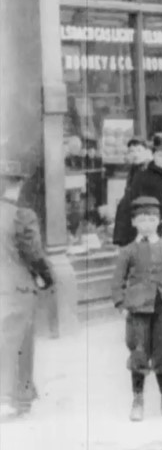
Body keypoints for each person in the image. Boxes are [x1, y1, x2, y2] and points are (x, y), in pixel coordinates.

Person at [111, 196, 162, 422]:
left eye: (152, 219)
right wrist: (120, 305)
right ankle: (138, 401)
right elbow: (117, 282)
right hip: (137, 311)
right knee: (139, 352)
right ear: (134, 222)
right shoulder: (128, 251)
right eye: (142, 219)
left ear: (160, 221)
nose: (147, 224)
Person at [0, 159, 54, 420]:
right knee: (19, 342)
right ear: (17, 184)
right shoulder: (22, 216)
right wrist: (47, 277)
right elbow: (34, 254)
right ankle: (14, 397)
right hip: (17, 288)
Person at [125, 131, 162, 240]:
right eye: (160, 155)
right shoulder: (142, 177)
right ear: (153, 155)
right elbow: (133, 204)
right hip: (149, 229)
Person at [113, 138, 152, 246]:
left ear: (147, 152)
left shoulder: (149, 170)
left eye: (139, 150)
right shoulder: (134, 169)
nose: (135, 154)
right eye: (132, 151)